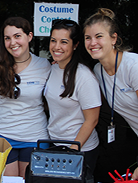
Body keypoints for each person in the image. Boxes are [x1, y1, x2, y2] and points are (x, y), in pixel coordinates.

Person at [0, 17, 51, 178]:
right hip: (1, 134)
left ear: (29, 36)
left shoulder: (44, 66)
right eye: (7, 38)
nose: (12, 42)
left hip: (34, 136)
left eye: (17, 36)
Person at [83, 8, 138, 180]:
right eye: (87, 38)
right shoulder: (98, 70)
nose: (93, 43)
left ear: (114, 38)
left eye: (99, 36)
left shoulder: (133, 66)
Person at [44, 19, 101, 173]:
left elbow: (92, 120)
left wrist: (72, 151)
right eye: (53, 41)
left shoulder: (84, 77)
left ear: (75, 45)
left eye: (64, 42)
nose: (56, 47)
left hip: (80, 149)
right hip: (55, 144)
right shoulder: (52, 68)